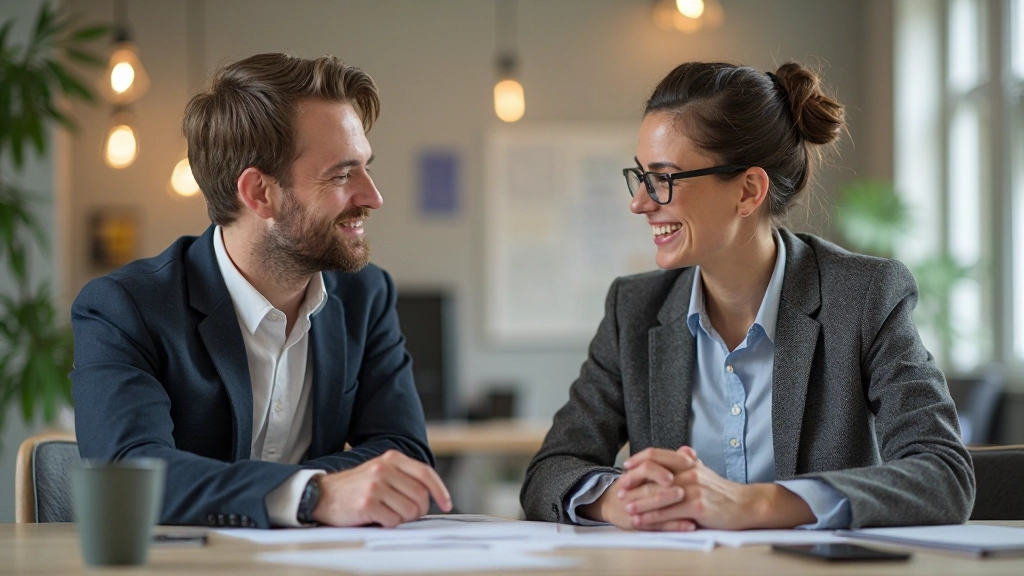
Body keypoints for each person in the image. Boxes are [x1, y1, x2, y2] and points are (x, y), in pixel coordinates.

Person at [520, 61, 975, 531]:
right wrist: (618, 500)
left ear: (748, 190)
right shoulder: (633, 310)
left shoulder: (863, 297)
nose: (640, 202)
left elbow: (944, 475)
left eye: (664, 179)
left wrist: (755, 505)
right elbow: (549, 472)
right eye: (640, 177)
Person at [71, 53, 452, 529]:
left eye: (367, 168)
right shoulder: (125, 308)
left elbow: (405, 454)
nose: (372, 197)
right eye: (341, 174)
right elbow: (128, 474)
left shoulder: (366, 297)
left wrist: (304, 493)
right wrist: (312, 495)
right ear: (259, 194)